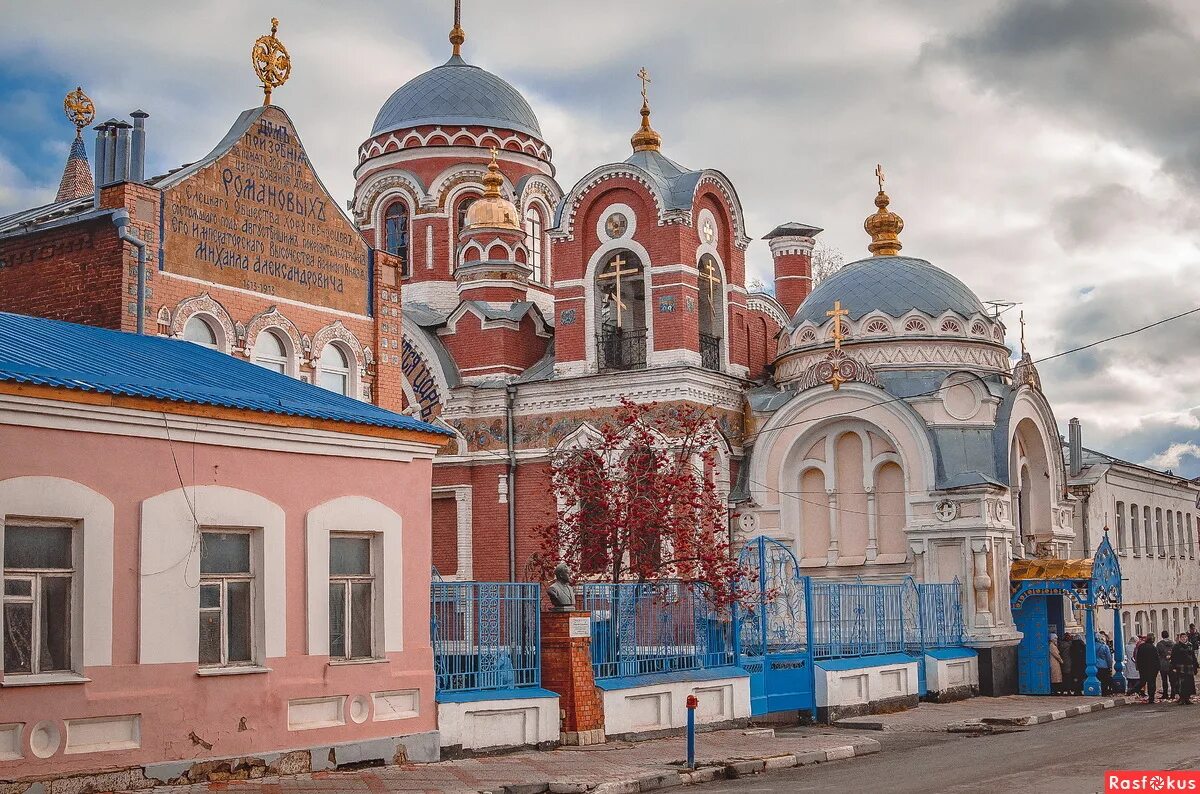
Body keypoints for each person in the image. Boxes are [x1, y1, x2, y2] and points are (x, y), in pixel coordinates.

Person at [1171, 633, 1197, 705]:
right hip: (1180, 666)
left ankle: (1187, 698)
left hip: (1189, 666)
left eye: (1185, 637)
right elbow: (1173, 657)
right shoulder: (1176, 646)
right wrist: (1173, 667)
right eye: (1182, 637)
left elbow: (1193, 656)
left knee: (1189, 683)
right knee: (1181, 683)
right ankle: (1182, 698)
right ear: (1180, 638)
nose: (1183, 638)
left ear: (1187, 638)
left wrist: (1195, 666)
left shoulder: (1190, 645)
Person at [1135, 633, 1161, 704]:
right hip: (1152, 669)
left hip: (1143, 668)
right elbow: (1157, 659)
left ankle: (1133, 690)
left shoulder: (1141, 646)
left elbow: (1138, 658)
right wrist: (1158, 668)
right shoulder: (1153, 648)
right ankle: (1151, 698)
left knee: (1142, 681)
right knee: (1151, 683)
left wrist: (1138, 666)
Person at [1157, 631, 1177, 700]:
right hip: (1171, 664)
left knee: (1164, 680)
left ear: (1162, 636)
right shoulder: (1173, 644)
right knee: (1172, 680)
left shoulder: (1159, 644)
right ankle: (1173, 694)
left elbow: (1157, 655)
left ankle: (1165, 694)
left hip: (1163, 664)